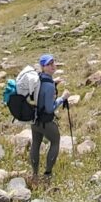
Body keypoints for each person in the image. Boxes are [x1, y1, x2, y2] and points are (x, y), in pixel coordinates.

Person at [30, 53, 69, 183]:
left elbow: (41, 93)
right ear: (43, 67)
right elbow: (49, 108)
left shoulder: (38, 78)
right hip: (45, 122)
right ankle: (47, 174)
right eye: (49, 64)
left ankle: (34, 174)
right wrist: (62, 98)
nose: (53, 66)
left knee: (36, 144)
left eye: (53, 63)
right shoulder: (49, 85)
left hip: (34, 120)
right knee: (55, 141)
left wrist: (54, 82)